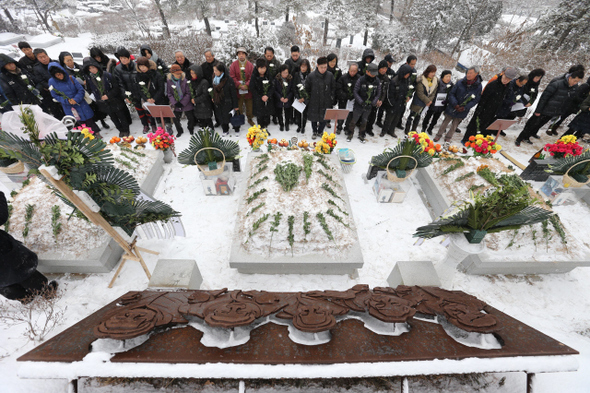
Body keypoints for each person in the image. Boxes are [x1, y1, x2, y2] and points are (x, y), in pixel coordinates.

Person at [0, 191, 58, 304]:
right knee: (22, 271)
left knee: (3, 282)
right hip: (4, 254)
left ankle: (23, 297)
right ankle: (45, 292)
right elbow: (1, 216)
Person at [515, 69, 584, 146]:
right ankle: (519, 138)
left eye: (577, 81)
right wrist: (538, 110)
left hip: (554, 111)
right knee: (531, 124)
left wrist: (560, 112)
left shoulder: (574, 88)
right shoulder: (557, 84)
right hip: (544, 109)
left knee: (539, 125)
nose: (575, 83)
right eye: (574, 81)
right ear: (570, 77)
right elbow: (544, 98)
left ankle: (527, 137)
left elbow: (568, 102)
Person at [462, 66, 517, 143]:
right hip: (484, 109)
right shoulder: (493, 85)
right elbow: (483, 99)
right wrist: (479, 111)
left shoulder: (509, 87)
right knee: (475, 126)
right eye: (505, 77)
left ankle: (480, 143)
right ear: (503, 74)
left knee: (486, 129)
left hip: (495, 113)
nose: (506, 80)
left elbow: (508, 100)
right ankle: (467, 140)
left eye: (509, 79)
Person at [48, 62, 100, 134]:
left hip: (81, 103)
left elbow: (81, 90)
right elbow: (55, 95)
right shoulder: (52, 82)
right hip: (69, 107)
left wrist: (76, 99)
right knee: (79, 122)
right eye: (57, 75)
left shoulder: (71, 78)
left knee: (89, 120)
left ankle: (96, 133)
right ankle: (87, 135)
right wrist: (67, 101)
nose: (60, 76)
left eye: (60, 74)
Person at [83, 57, 130, 137]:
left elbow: (116, 87)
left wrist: (108, 95)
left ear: (97, 66)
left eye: (93, 67)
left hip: (114, 100)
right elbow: (90, 90)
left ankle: (126, 129)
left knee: (121, 115)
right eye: (90, 69)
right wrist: (97, 97)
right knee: (113, 117)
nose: (92, 70)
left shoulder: (107, 75)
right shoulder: (89, 79)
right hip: (103, 103)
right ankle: (120, 130)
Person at [434, 66, 482, 143]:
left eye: (471, 73)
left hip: (463, 110)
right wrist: (455, 104)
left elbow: (476, 100)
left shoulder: (478, 86)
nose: (468, 75)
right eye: (468, 73)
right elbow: (452, 93)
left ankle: (448, 137)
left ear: (476, 74)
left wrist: (465, 107)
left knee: (454, 125)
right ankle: (438, 135)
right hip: (452, 107)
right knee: (445, 122)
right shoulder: (460, 82)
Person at [132, 57, 167, 134]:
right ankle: (155, 126)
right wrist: (147, 99)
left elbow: (161, 88)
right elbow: (140, 89)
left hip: (158, 98)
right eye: (140, 66)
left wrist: (154, 98)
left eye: (144, 66)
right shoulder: (138, 76)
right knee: (151, 113)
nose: (142, 68)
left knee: (161, 114)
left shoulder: (156, 74)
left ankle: (166, 126)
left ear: (147, 65)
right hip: (147, 99)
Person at [347, 63, 381, 143]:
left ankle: (362, 134)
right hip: (359, 104)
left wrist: (373, 102)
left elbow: (378, 93)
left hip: (369, 105)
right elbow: (355, 91)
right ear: (367, 72)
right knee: (354, 120)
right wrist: (361, 101)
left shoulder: (377, 81)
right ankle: (350, 133)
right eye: (372, 73)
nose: (373, 76)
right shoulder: (361, 80)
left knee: (364, 120)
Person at [304, 56, 335, 139]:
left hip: (326, 101)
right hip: (314, 101)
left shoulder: (330, 75)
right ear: (317, 65)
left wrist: (332, 98)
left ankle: (320, 131)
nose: (323, 69)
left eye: (325, 67)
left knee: (324, 118)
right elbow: (307, 89)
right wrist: (308, 99)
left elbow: (333, 88)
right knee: (314, 117)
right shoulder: (311, 76)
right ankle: (314, 131)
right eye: (322, 67)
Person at [405, 64, 439, 134]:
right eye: (431, 72)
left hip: (426, 103)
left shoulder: (435, 80)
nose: (433, 74)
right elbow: (419, 93)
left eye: (434, 72)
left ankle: (413, 129)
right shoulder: (421, 79)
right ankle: (407, 129)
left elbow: (433, 92)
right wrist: (427, 101)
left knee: (418, 116)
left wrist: (430, 101)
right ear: (428, 72)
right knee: (412, 116)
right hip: (418, 101)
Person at [381, 64, 412, 138]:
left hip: (401, 103)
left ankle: (391, 130)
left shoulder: (407, 81)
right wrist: (392, 104)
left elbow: (408, 91)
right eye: (407, 74)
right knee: (389, 118)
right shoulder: (394, 81)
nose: (408, 75)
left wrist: (409, 96)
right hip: (393, 103)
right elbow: (390, 94)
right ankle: (384, 131)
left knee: (396, 118)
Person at [32, 49, 65, 119]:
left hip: (64, 88)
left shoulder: (55, 63)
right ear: (37, 59)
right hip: (50, 91)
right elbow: (41, 81)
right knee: (56, 111)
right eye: (40, 58)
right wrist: (52, 87)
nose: (44, 59)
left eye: (44, 56)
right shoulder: (37, 68)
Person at [167, 63, 196, 137]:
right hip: (176, 103)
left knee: (191, 117)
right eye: (177, 74)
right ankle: (179, 130)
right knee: (176, 118)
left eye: (180, 73)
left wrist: (182, 103)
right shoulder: (169, 81)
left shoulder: (185, 80)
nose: (179, 75)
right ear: (172, 73)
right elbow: (169, 93)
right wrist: (175, 102)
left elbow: (188, 93)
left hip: (186, 102)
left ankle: (190, 128)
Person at [421, 70, 453, 135]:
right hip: (433, 103)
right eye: (447, 76)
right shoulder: (437, 82)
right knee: (428, 116)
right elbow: (431, 92)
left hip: (441, 105)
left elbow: (451, 94)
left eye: (450, 77)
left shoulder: (451, 85)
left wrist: (447, 100)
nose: (448, 78)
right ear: (442, 76)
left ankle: (430, 128)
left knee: (435, 118)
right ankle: (424, 128)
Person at [211, 63, 239, 136]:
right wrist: (213, 97)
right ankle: (225, 130)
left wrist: (235, 105)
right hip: (219, 102)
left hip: (228, 102)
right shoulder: (214, 79)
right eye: (214, 70)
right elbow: (214, 90)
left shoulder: (228, 80)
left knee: (232, 116)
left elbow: (233, 93)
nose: (214, 72)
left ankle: (236, 129)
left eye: (216, 70)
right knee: (222, 117)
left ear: (221, 71)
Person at [229, 47, 255, 126]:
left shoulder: (250, 65)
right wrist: (239, 85)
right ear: (237, 55)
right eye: (239, 54)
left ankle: (250, 119)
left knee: (249, 107)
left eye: (243, 54)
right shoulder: (234, 65)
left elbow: (252, 77)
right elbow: (232, 76)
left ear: (246, 55)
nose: (241, 56)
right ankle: (240, 119)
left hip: (248, 90)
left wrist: (246, 85)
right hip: (238, 90)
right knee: (238, 107)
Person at [365, 60, 390, 136]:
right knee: (366, 114)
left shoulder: (386, 78)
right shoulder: (375, 75)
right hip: (370, 98)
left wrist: (381, 100)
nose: (384, 70)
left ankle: (369, 128)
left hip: (378, 100)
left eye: (385, 68)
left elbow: (384, 90)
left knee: (373, 115)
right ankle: (363, 127)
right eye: (382, 68)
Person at [112, 47, 135, 126]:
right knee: (138, 108)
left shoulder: (136, 66)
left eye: (125, 58)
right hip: (128, 91)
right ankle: (144, 124)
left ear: (129, 58)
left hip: (137, 90)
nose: (123, 60)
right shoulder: (117, 69)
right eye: (121, 58)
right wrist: (126, 95)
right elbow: (120, 84)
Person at [335, 63, 360, 135]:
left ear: (357, 71)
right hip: (343, 100)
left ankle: (347, 127)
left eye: (354, 71)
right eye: (351, 70)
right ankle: (339, 127)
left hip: (353, 101)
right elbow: (339, 89)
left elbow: (359, 89)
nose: (352, 72)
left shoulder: (358, 78)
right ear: (349, 70)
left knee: (350, 115)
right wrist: (345, 96)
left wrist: (354, 96)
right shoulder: (343, 78)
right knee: (341, 114)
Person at [250, 58, 275, 130]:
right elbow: (252, 88)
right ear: (257, 68)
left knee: (267, 113)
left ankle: (266, 125)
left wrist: (267, 95)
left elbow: (272, 86)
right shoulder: (254, 75)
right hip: (258, 99)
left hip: (267, 98)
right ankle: (260, 127)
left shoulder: (268, 75)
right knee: (260, 114)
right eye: (261, 68)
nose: (262, 70)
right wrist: (259, 97)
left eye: (264, 68)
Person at [188, 64, 214, 129]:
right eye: (191, 73)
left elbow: (205, 95)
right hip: (197, 106)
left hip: (205, 105)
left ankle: (211, 131)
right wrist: (192, 98)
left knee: (207, 119)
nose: (192, 74)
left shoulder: (204, 82)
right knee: (201, 120)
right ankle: (204, 131)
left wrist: (196, 100)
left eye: (193, 73)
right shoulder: (191, 82)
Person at [376, 53, 396, 128]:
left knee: (383, 107)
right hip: (379, 91)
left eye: (391, 62)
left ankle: (380, 120)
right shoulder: (379, 69)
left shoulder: (392, 72)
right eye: (389, 62)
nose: (390, 64)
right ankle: (377, 120)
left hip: (387, 92)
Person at [274, 64, 294, 131]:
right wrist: (280, 97)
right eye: (283, 73)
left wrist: (288, 98)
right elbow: (275, 90)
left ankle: (287, 124)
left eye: (286, 73)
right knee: (279, 112)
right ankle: (281, 124)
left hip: (288, 99)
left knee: (287, 112)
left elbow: (292, 90)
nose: (285, 74)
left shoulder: (290, 79)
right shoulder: (277, 79)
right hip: (279, 99)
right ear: (280, 72)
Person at [293, 59, 311, 134]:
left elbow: (311, 88)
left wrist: (305, 98)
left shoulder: (310, 75)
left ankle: (303, 126)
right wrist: (298, 97)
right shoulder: (297, 75)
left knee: (305, 114)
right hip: (298, 98)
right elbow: (294, 87)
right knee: (298, 113)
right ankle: (299, 126)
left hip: (306, 98)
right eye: (302, 66)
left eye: (305, 66)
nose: (303, 68)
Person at [264, 46, 281, 125]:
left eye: (271, 55)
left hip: (275, 85)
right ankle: (266, 117)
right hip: (265, 85)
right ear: (265, 55)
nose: (269, 57)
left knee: (275, 102)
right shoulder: (262, 62)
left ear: (273, 55)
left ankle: (275, 117)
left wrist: (275, 81)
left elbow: (279, 74)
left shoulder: (277, 63)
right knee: (266, 103)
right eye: (267, 55)